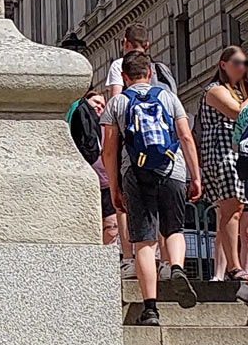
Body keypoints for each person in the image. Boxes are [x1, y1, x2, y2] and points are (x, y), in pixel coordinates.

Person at [102, 49, 201, 324]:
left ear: (124, 76)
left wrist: (114, 187)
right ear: (150, 74)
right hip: (172, 169)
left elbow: (108, 151)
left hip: (135, 172)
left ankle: (150, 308)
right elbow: (185, 137)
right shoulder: (169, 98)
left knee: (144, 242)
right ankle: (177, 267)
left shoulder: (117, 103)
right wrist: (195, 176)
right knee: (174, 229)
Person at [106, 23, 177, 279]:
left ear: (124, 42)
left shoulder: (119, 66)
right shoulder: (161, 69)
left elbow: (115, 103)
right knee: (162, 208)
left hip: (133, 151)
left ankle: (129, 259)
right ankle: (167, 263)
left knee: (128, 207)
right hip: (164, 152)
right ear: (147, 45)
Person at [196, 46, 248, 282]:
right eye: (237, 62)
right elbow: (237, 112)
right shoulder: (214, 90)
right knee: (231, 208)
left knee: (236, 209)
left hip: (237, 152)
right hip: (222, 151)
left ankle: (234, 266)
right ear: (223, 64)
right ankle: (233, 267)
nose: (242, 67)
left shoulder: (239, 92)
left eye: (244, 63)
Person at [68, 87, 119, 245]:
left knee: (112, 225)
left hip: (107, 184)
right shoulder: (79, 119)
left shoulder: (106, 127)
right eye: (96, 102)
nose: (100, 106)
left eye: (103, 105)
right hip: (89, 183)